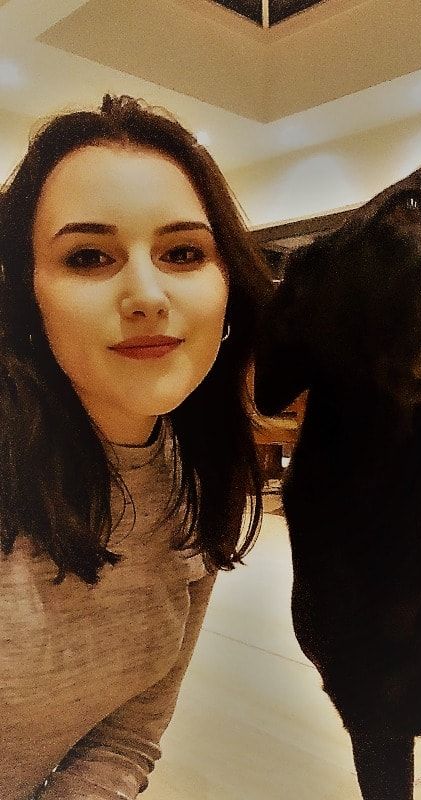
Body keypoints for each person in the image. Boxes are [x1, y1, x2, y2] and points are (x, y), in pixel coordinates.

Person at [0, 94, 272, 800]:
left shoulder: (197, 481)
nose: (147, 295)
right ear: (27, 296)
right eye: (89, 256)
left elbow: (126, 737)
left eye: (183, 253)